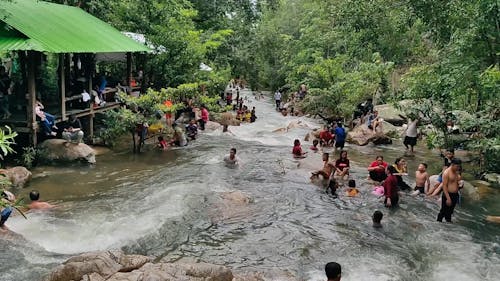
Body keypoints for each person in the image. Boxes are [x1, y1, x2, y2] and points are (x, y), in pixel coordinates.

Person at [437, 158, 462, 222]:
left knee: (450, 212)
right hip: (447, 194)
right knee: (443, 211)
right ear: (452, 165)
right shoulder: (446, 173)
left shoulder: (456, 172)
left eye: (459, 166)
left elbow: (458, 183)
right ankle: (438, 223)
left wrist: (461, 185)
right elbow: (444, 186)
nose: (458, 168)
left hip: (455, 194)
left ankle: (448, 224)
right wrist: (448, 198)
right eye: (457, 166)